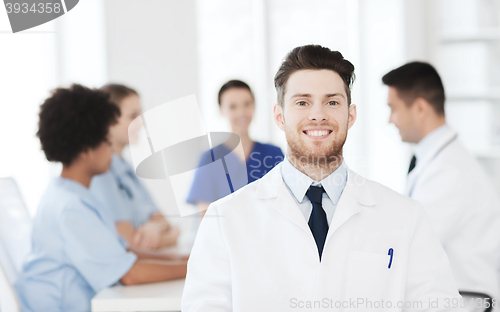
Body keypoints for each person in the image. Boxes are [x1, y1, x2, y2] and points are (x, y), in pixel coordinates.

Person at [181, 45, 466, 311]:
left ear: (350, 115)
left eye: (331, 102)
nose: (317, 115)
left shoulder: (406, 218)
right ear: (279, 117)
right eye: (303, 102)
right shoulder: (224, 220)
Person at [14, 84, 187, 312]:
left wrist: (185, 260)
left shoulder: (74, 193)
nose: (111, 152)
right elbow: (130, 275)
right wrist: (194, 266)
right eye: (106, 143)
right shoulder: (71, 206)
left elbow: (125, 252)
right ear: (86, 149)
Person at [383, 62, 500, 303]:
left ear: (420, 108)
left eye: (393, 109)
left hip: (468, 301)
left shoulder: (450, 172)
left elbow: (410, 245)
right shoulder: (436, 160)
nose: (390, 120)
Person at [90, 84, 179, 251]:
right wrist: (172, 236)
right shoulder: (100, 174)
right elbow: (132, 244)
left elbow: (164, 222)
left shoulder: (126, 169)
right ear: (107, 122)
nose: (142, 123)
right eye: (133, 116)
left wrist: (154, 228)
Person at [186, 80, 284, 213]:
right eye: (233, 107)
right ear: (222, 110)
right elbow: (205, 217)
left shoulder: (273, 154)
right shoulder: (209, 160)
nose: (241, 113)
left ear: (254, 105)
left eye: (247, 104)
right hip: (224, 234)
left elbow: (284, 203)